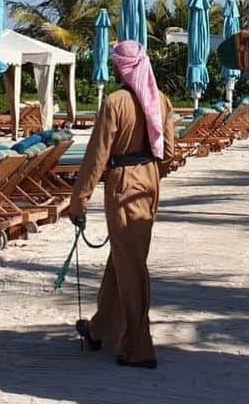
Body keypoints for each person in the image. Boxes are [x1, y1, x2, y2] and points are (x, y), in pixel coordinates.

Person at [66, 40, 175, 368]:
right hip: (149, 181)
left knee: (131, 267)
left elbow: (97, 155)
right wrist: (151, 173)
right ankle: (99, 329)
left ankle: (139, 346)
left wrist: (79, 199)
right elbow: (168, 153)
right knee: (124, 258)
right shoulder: (162, 101)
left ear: (120, 68)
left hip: (124, 183)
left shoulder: (114, 102)